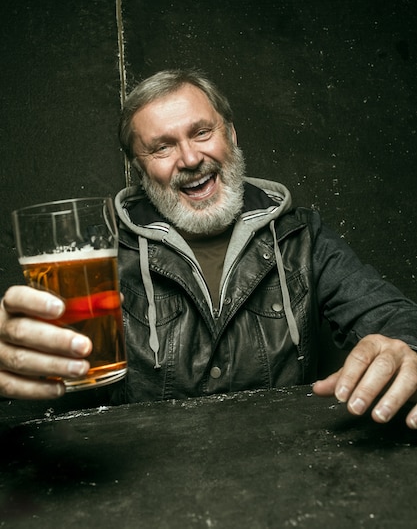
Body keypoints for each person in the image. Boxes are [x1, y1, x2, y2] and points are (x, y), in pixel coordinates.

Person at [1, 69, 417, 428]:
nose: (189, 158)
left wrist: (405, 348)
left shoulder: (301, 236)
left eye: (202, 132)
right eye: (161, 146)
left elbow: (394, 319)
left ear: (231, 135)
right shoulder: (100, 256)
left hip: (284, 472)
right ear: (139, 167)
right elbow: (40, 375)